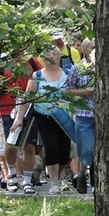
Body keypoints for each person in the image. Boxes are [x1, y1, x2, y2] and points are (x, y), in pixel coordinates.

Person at [11, 48, 74, 196]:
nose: (52, 56)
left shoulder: (68, 74)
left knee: (65, 152)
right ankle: (54, 183)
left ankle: (57, 177)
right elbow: (26, 99)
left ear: (59, 57)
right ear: (43, 58)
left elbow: (73, 96)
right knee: (51, 148)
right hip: (44, 116)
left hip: (64, 118)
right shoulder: (37, 75)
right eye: (49, 54)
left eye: (55, 54)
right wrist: (20, 118)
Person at [0, 52, 43, 194]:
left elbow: (41, 80)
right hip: (8, 108)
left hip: (29, 107)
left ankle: (27, 180)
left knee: (29, 145)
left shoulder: (32, 62)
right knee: (11, 143)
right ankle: (12, 175)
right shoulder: (1, 63)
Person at [66, 40, 96, 194]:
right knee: (87, 148)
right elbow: (68, 90)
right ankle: (83, 173)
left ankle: (96, 176)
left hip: (103, 115)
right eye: (92, 47)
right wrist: (84, 93)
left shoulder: (105, 68)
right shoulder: (77, 68)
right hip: (84, 114)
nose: (95, 50)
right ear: (85, 50)